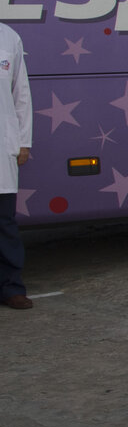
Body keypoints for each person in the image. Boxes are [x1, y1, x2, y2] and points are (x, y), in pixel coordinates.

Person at [0, 19, 29, 310]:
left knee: (4, 223)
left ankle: (11, 288)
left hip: (2, 147)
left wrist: (24, 141)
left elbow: (21, 94)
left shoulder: (8, 38)